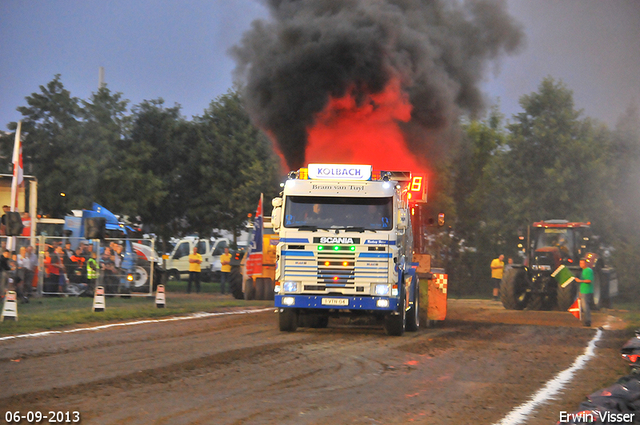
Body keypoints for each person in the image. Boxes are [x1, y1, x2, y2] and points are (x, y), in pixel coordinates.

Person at [575, 258, 594, 327]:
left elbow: (589, 280)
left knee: (585, 306)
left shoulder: (588, 270)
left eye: (582, 263)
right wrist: (580, 292)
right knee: (583, 307)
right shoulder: (582, 271)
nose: (581, 265)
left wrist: (580, 281)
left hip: (587, 291)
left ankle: (588, 321)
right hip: (583, 291)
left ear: (586, 263)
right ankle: (586, 320)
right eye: (580, 263)